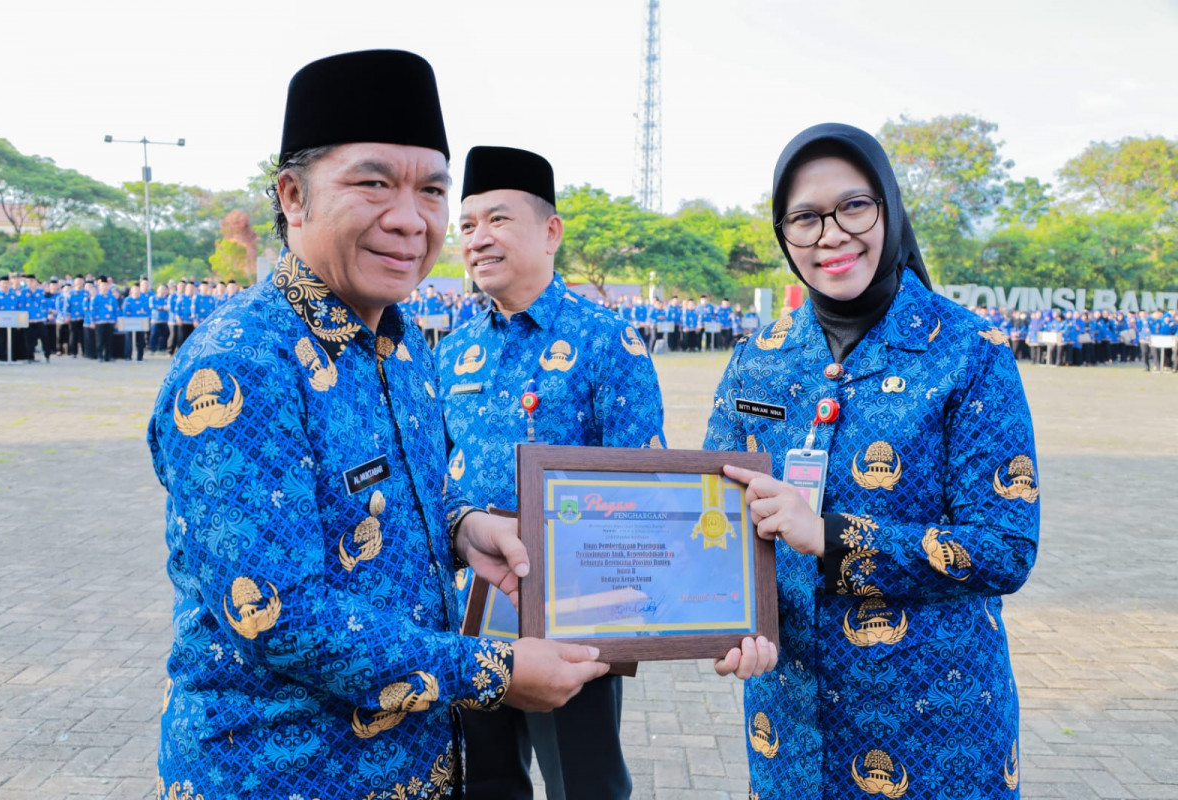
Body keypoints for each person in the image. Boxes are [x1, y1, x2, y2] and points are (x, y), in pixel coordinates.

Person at [148, 50, 607, 800]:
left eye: (431, 189)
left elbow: (379, 502)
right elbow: (281, 612)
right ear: (292, 196)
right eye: (372, 183)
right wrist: (495, 671)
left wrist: (460, 528)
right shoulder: (241, 367)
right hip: (281, 773)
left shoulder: (400, 343)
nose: (410, 219)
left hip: (412, 767)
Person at [704, 124, 1040, 799]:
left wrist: (831, 536)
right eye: (804, 217)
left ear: (887, 207)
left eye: (853, 207)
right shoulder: (758, 358)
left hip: (935, 731)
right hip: (793, 729)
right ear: (784, 234)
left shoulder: (970, 352)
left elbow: (1006, 548)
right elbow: (713, 520)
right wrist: (726, 619)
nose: (829, 234)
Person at [435, 146, 672, 800]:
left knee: (584, 786)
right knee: (484, 783)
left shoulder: (606, 342)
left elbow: (646, 485)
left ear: (550, 231)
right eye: (468, 225)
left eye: (497, 220)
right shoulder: (452, 349)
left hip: (573, 616)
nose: (477, 239)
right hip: (467, 614)